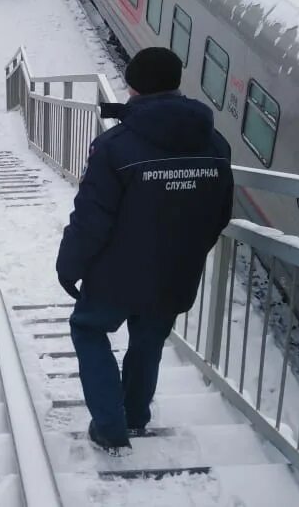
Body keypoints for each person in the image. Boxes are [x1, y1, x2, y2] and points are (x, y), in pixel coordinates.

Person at [56, 48, 234, 451]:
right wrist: (185, 253)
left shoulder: (116, 147)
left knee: (88, 328)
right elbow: (219, 215)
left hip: (117, 276)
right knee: (148, 340)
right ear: (176, 84)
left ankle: (109, 425)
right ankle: (135, 415)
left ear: (132, 87)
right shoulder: (216, 144)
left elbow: (91, 220)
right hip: (175, 273)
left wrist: (69, 266)